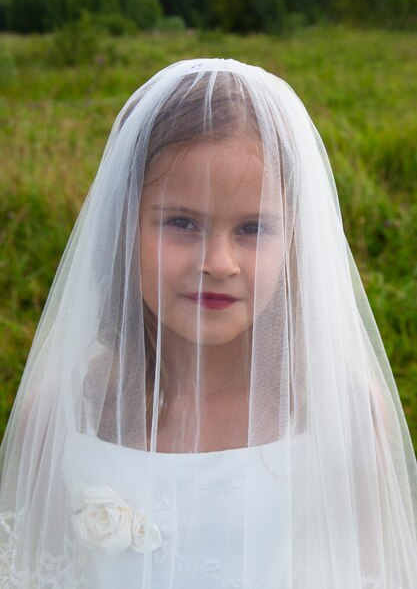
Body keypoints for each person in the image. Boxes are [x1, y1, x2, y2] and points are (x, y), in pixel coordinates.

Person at [0, 58, 416, 589]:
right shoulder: (62, 413)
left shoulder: (344, 414)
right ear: (124, 226)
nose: (219, 262)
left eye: (252, 228)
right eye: (181, 222)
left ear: (294, 241)